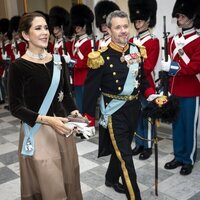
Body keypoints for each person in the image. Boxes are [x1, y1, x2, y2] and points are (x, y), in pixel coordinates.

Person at [83, 10, 157, 200]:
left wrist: (152, 96)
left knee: (121, 151)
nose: (123, 31)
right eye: (118, 27)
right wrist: (88, 120)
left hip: (134, 110)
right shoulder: (100, 57)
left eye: (126, 26)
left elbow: (143, 82)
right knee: (126, 159)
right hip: (114, 113)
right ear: (108, 29)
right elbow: (90, 92)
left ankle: (110, 178)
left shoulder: (137, 51)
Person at [8, 12, 83, 199]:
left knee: (69, 179)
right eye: (38, 28)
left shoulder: (59, 61)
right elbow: (15, 107)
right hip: (37, 130)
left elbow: (66, 94)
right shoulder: (18, 66)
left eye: (46, 28)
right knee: (49, 184)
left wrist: (75, 113)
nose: (45, 33)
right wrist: (48, 120)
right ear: (26, 35)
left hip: (63, 128)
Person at [161, 0, 200, 175]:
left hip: (191, 91)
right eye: (178, 15)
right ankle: (178, 155)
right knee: (176, 124)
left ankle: (188, 159)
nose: (180, 18)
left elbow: (194, 67)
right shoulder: (171, 39)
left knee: (189, 127)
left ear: (192, 17)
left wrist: (173, 68)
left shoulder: (198, 40)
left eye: (183, 15)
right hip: (174, 90)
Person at [128, 0, 160, 160]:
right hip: (132, 84)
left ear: (148, 20)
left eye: (140, 19)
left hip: (147, 83)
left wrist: (132, 61)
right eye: (136, 19)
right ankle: (139, 143)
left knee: (147, 117)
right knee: (136, 116)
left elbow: (148, 66)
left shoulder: (153, 40)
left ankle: (148, 146)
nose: (137, 22)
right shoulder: (132, 40)